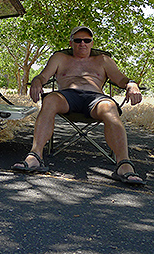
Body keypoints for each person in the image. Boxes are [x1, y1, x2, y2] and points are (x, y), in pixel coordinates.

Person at [12, 26, 145, 185]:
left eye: (87, 40)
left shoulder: (103, 60)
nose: (82, 43)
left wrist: (132, 85)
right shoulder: (59, 57)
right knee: (50, 100)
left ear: (92, 43)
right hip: (67, 97)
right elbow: (43, 76)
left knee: (110, 107)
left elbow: (122, 79)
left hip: (96, 99)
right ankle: (35, 156)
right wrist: (36, 82)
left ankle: (123, 164)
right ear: (71, 42)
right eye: (78, 40)